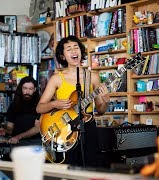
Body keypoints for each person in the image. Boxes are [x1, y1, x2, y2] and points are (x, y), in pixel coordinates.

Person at [36, 35, 110, 167]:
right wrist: (55, 103)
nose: (74, 51)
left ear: (81, 52)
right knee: (69, 167)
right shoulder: (56, 79)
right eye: (69, 49)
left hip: (88, 128)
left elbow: (101, 111)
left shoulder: (92, 77)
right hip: (66, 130)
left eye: (76, 48)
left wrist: (106, 101)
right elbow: (39, 108)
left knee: (91, 167)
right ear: (63, 56)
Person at [0, 76, 42, 148]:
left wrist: (19, 137)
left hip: (34, 143)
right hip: (16, 142)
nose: (27, 92)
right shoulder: (14, 105)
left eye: (30, 89)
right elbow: (10, 128)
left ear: (35, 90)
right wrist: (5, 130)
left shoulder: (40, 105)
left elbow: (37, 128)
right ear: (21, 88)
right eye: (25, 88)